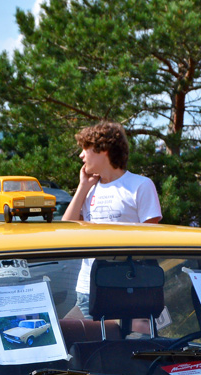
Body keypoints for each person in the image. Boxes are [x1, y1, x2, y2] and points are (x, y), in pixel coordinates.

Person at [62, 121, 161, 315]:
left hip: (126, 288)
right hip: (87, 290)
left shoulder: (140, 185)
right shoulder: (89, 188)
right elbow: (66, 231)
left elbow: (151, 241)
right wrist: (82, 187)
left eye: (85, 149)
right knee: (66, 337)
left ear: (103, 149)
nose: (81, 155)